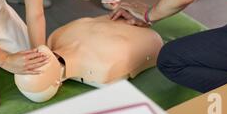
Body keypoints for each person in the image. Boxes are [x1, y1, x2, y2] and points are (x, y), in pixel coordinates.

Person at [15, 15, 163, 102]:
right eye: (38, 70)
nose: (37, 58)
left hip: (123, 18)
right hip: (144, 33)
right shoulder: (103, 68)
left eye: (31, 61)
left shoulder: (54, 38)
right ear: (56, 83)